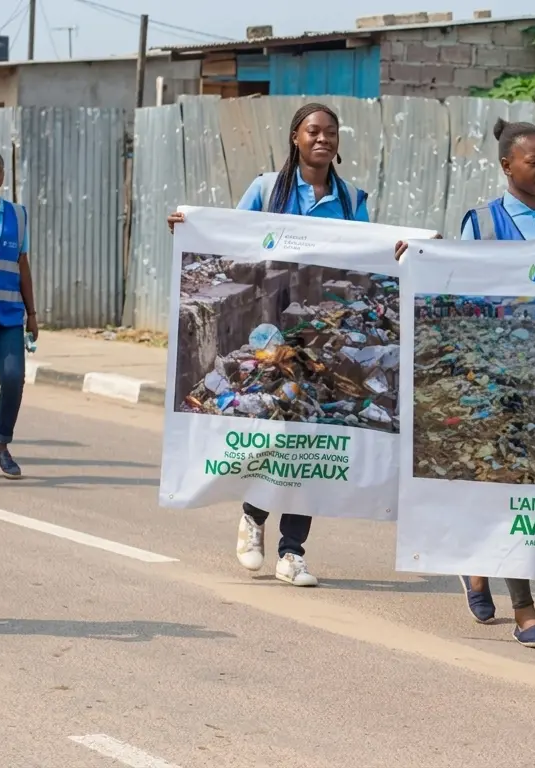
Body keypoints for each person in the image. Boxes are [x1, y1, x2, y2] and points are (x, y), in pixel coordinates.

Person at [168, 102, 381, 588]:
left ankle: (293, 551)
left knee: (314, 437)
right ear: (295, 138)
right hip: (270, 334)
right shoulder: (267, 189)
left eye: (331, 132)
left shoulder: (351, 198)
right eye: (313, 131)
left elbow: (370, 254)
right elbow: (230, 237)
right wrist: (188, 227)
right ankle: (253, 516)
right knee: (277, 430)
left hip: (324, 330)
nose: (322, 139)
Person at [454, 118, 535, 651]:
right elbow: (457, 291)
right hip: (497, 377)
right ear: (507, 166)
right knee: (511, 486)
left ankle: (476, 564)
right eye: (534, 162)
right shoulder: (480, 223)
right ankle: (525, 609)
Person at [0, 146, 38, 480]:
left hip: (7, 313)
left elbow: (22, 264)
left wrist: (32, 313)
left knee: (13, 378)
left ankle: (1, 446)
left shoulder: (17, 214)